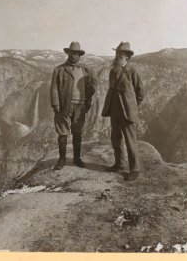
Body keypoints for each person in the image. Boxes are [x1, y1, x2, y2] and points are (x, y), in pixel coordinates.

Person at [50, 42, 98, 170]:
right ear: (68, 54)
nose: (73, 56)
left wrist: (89, 98)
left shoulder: (86, 70)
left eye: (76, 54)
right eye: (71, 53)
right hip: (64, 106)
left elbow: (92, 86)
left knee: (77, 133)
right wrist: (55, 104)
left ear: (79, 56)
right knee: (63, 133)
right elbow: (54, 88)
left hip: (80, 106)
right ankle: (62, 160)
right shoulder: (59, 70)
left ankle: (77, 158)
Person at [101, 42, 145, 181]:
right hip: (115, 111)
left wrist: (132, 105)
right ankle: (119, 164)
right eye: (117, 54)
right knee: (116, 139)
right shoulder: (113, 71)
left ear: (127, 57)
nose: (118, 56)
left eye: (122, 54)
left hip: (128, 112)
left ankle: (135, 169)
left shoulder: (132, 71)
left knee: (130, 141)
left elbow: (140, 92)